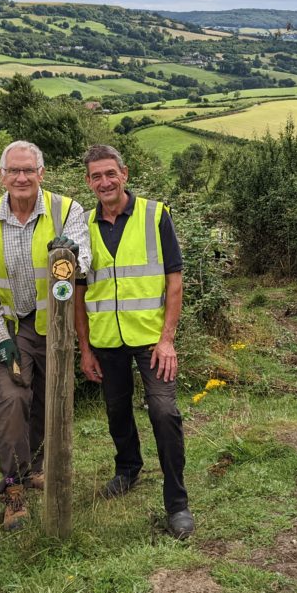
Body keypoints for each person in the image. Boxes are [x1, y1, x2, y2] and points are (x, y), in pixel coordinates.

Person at [74, 144, 194, 540]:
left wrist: (168, 340)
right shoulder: (81, 226)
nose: (104, 182)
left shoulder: (155, 215)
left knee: (163, 412)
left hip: (150, 339)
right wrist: (85, 348)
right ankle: (127, 468)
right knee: (115, 408)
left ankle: (177, 503)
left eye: (111, 173)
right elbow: (77, 291)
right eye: (96, 176)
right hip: (106, 339)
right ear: (89, 181)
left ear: (124, 173)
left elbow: (173, 280)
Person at [0, 140, 90, 531]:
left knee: (45, 400)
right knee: (13, 398)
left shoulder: (66, 209)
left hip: (52, 326)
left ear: (42, 173)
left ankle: (36, 467)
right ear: (1, 176)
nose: (21, 178)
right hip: (8, 327)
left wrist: (71, 254)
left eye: (28, 170)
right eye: (13, 171)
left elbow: (84, 258)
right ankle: (12, 489)